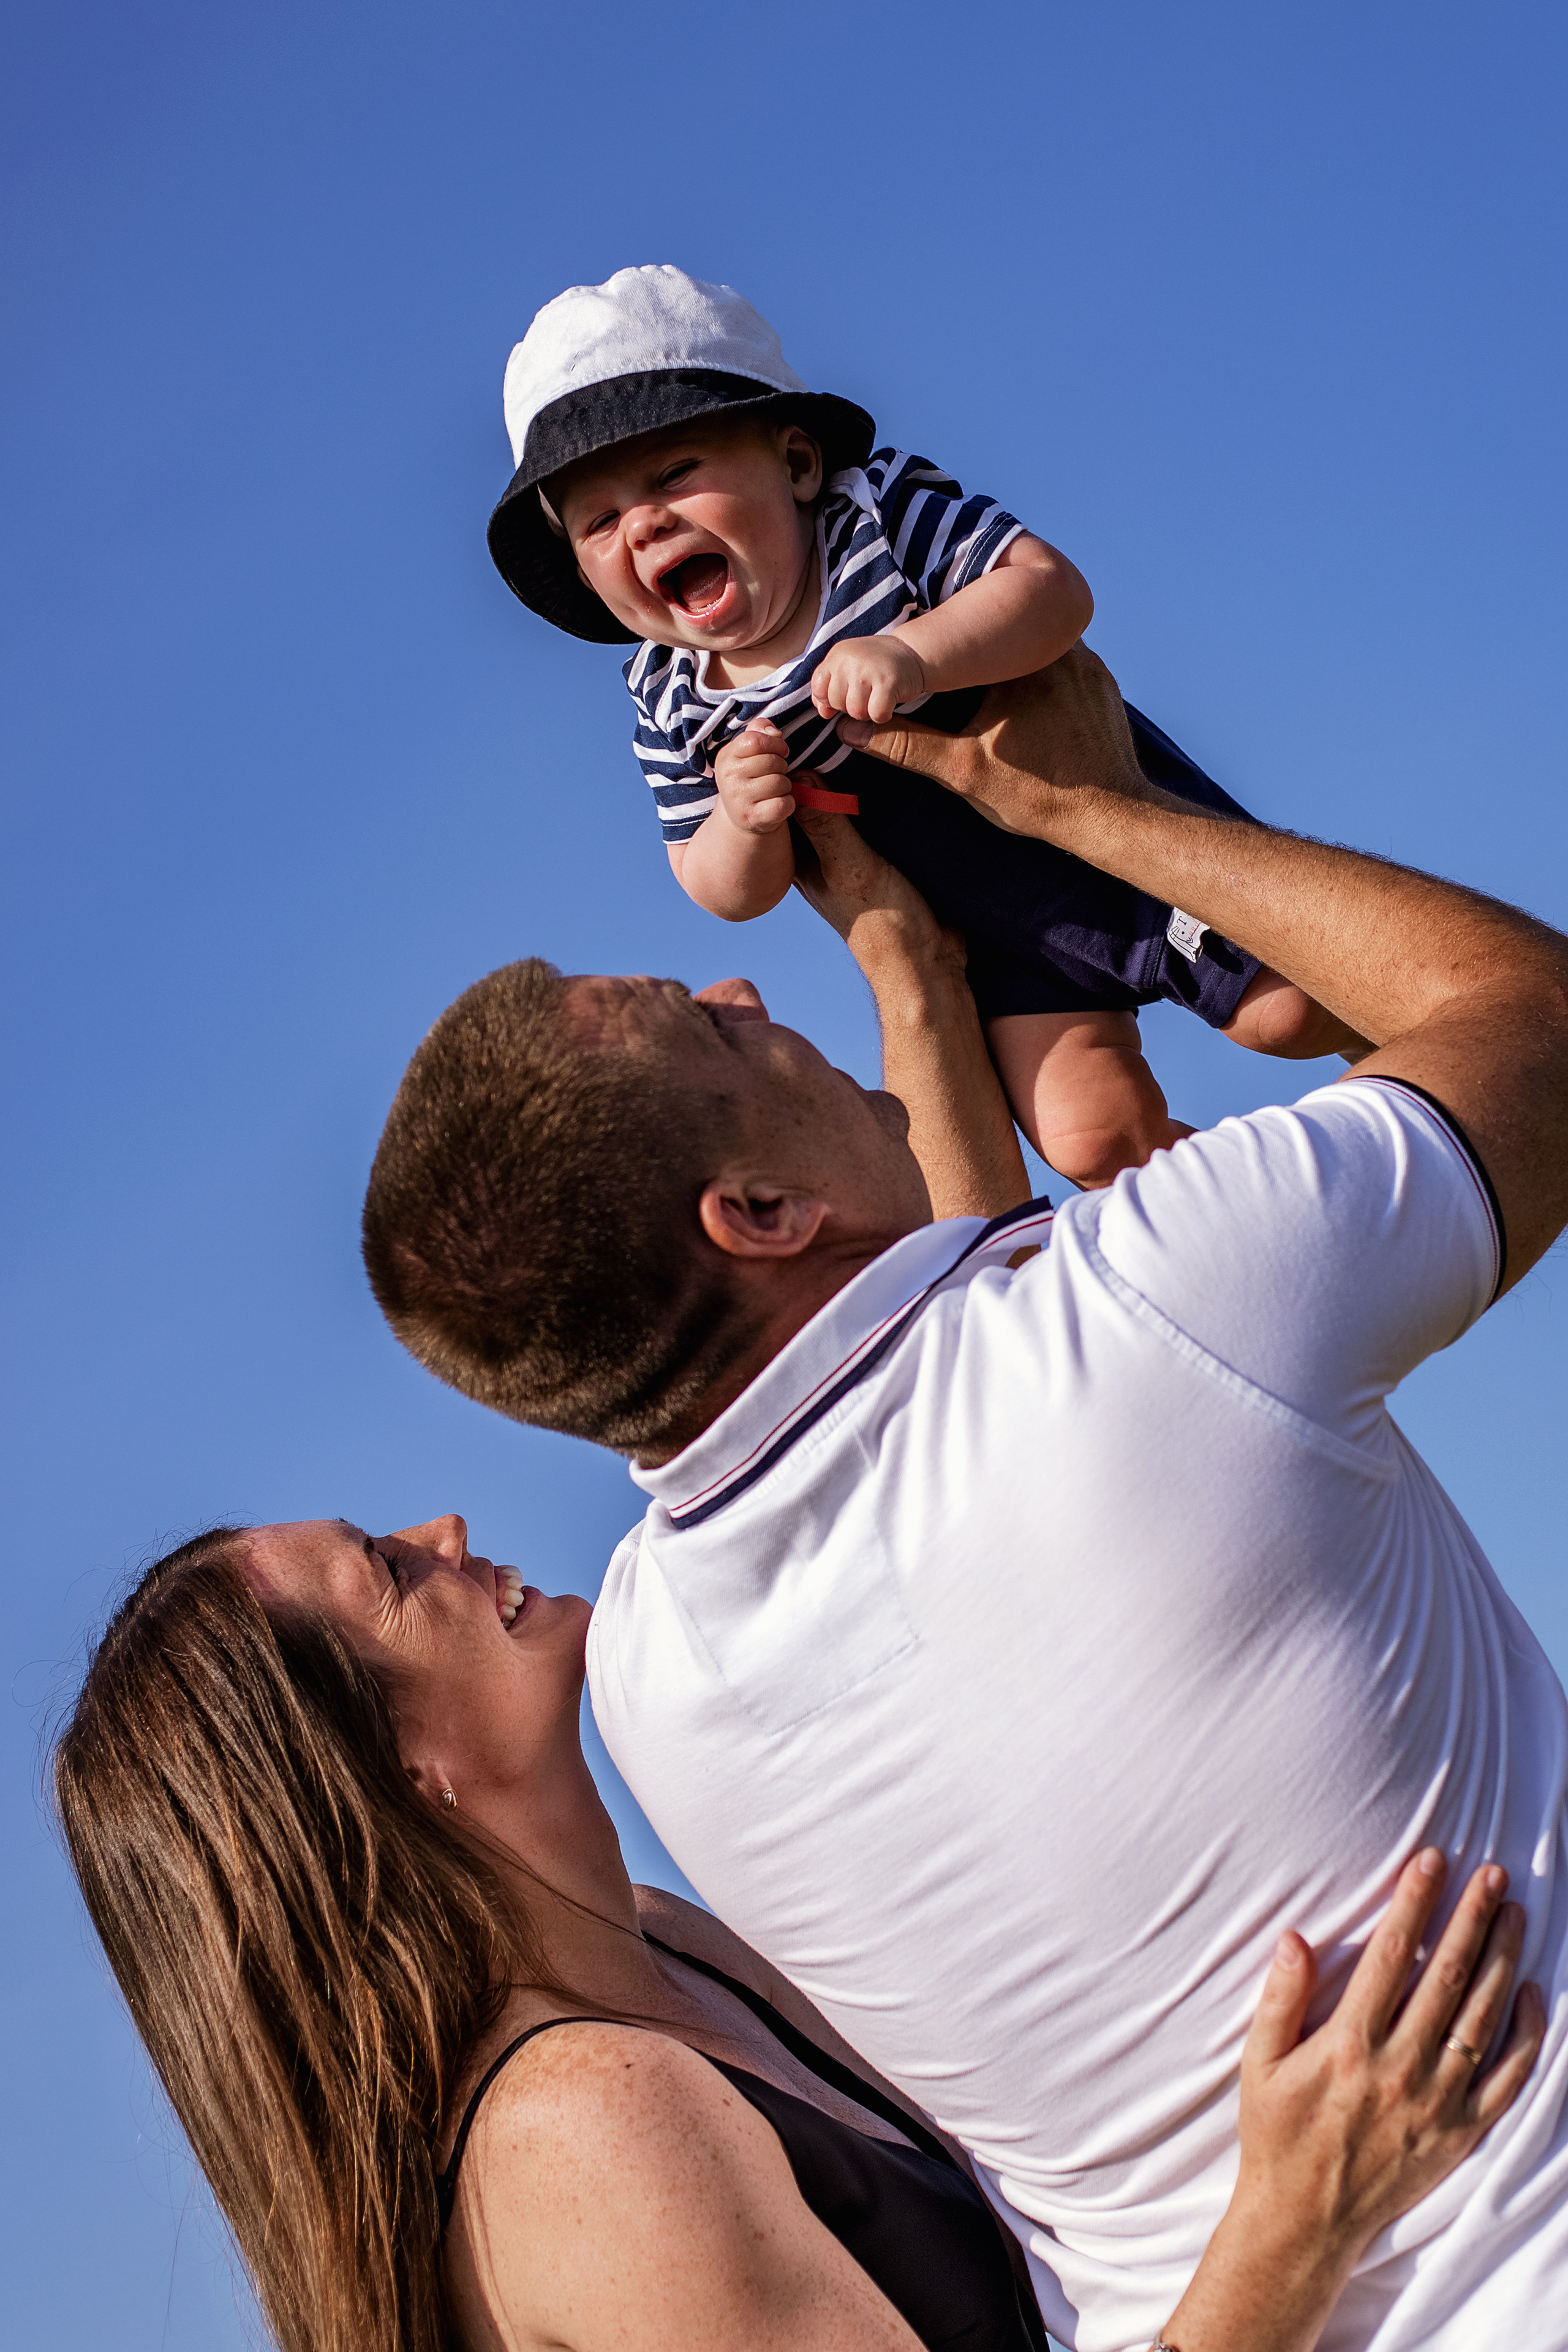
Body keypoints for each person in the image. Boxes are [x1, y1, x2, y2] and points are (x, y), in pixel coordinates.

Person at [361, 650, 1568, 2352]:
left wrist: (911, 964)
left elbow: (945, 1320)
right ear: (758, 1212)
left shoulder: (650, 1679)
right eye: (699, 1021)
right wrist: (1098, 811)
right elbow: (1534, 1018)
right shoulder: (1165, 1305)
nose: (738, 987)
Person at [55, 1509, 1542, 2352]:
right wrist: (1294, 2218)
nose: (441, 1529)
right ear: (394, 1773)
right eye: (388, 1574)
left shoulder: (662, 1948)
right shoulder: (582, 2130)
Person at [486, 263, 1358, 1185]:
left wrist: (919, 653)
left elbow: (1051, 591)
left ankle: (1421, 1064)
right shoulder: (669, 693)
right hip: (995, 935)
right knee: (1090, 1139)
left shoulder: (875, 518)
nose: (643, 526)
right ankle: (1271, 1203)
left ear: (798, 464)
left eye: (675, 473)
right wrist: (743, 822)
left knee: (1289, 1009)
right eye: (599, 521)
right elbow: (718, 887)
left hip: (1105, 817)